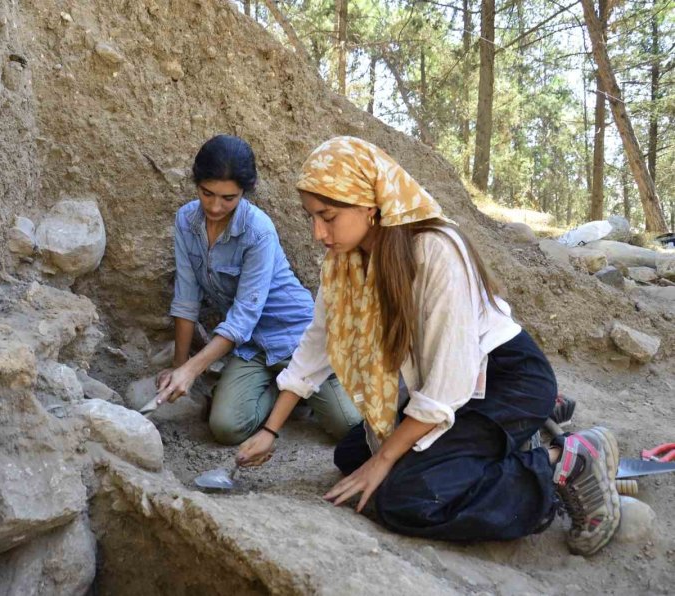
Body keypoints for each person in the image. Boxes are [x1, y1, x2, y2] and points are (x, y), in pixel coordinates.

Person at [236, 136, 621, 556]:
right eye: (313, 217)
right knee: (352, 454)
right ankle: (510, 439)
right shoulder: (344, 261)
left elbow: (448, 383)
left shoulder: (435, 250)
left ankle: (564, 461)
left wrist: (383, 462)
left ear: (369, 204)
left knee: (405, 498)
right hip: (452, 386)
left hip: (503, 379)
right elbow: (317, 344)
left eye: (328, 216)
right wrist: (270, 429)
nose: (318, 233)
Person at [155, 134, 362, 446]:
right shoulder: (186, 221)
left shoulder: (258, 230)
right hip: (251, 346)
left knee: (348, 426)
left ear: (244, 193)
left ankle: (325, 374)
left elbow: (243, 316)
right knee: (226, 427)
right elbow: (186, 299)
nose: (214, 206)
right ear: (196, 183)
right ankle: (286, 391)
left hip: (296, 338)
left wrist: (192, 372)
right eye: (207, 193)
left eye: (228, 198)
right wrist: (178, 368)